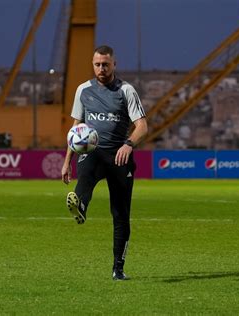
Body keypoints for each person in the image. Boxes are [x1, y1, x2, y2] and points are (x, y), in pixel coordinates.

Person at [61, 45, 148, 281]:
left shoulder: (126, 91)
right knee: (86, 172)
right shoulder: (83, 90)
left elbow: (142, 126)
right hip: (94, 151)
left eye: (106, 64)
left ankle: (118, 268)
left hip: (120, 156)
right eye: (98, 64)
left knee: (121, 215)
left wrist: (129, 144)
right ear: (93, 64)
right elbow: (76, 129)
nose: (101, 68)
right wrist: (67, 161)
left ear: (114, 65)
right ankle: (80, 206)